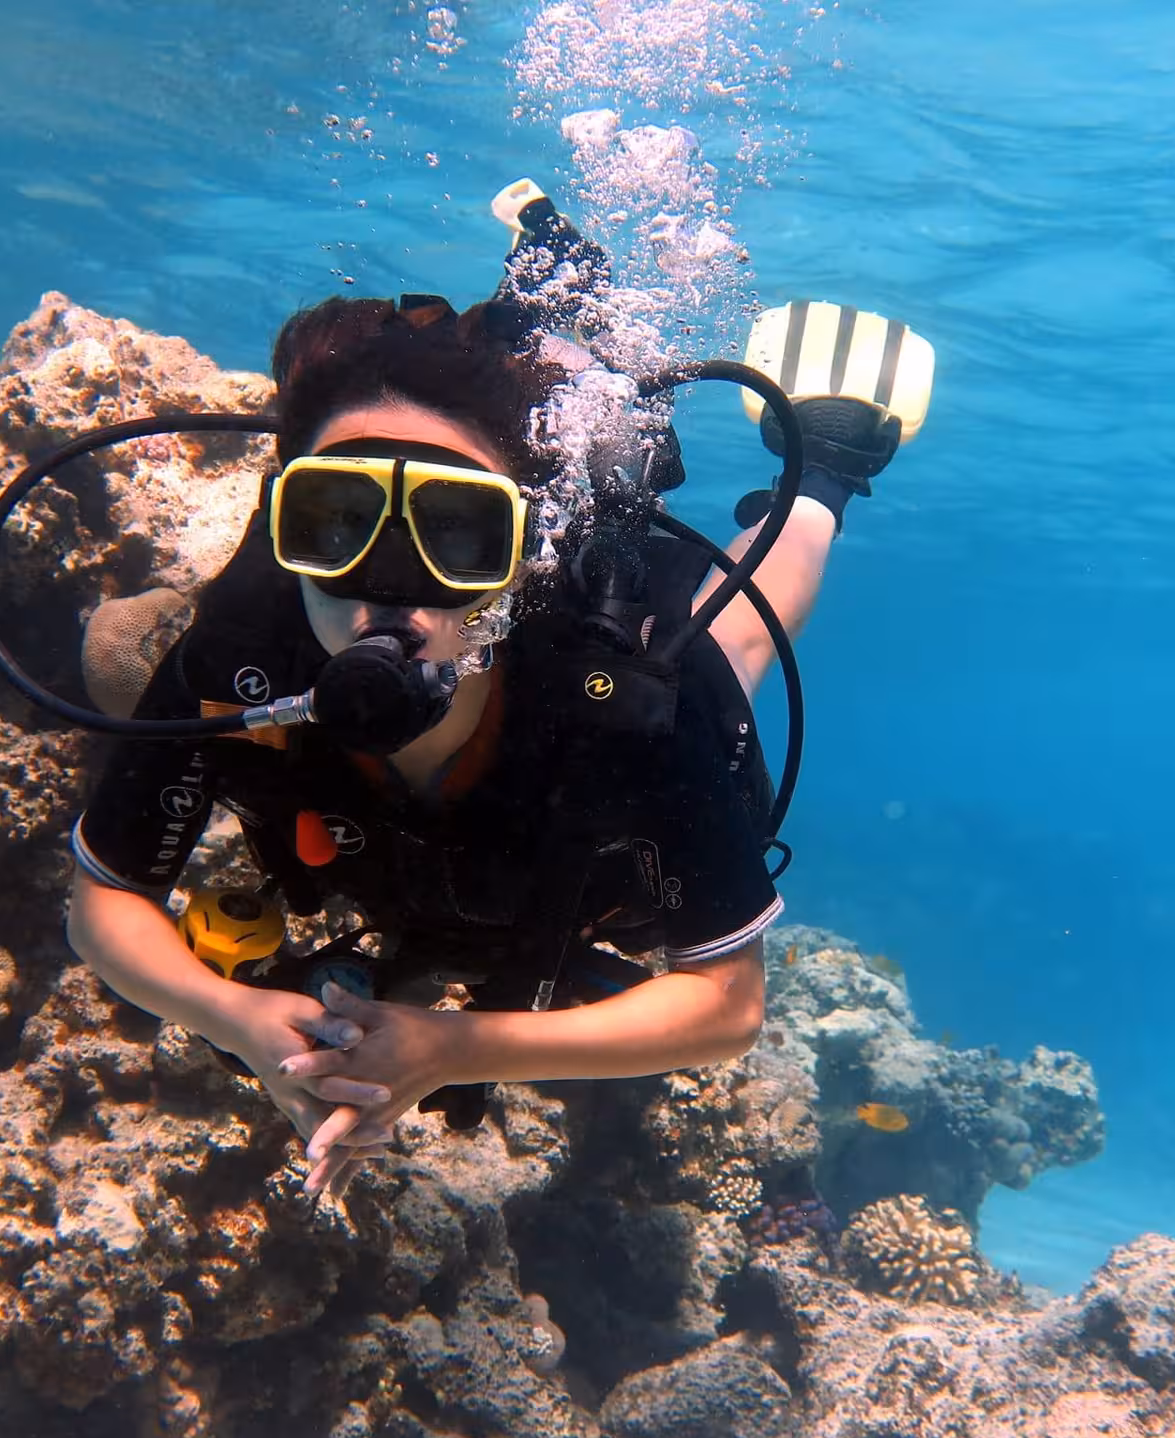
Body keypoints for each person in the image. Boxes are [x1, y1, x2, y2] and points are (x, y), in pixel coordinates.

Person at [58, 279, 922, 1199]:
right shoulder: (233, 667)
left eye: (456, 534)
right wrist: (237, 1020)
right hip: (411, 881)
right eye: (339, 522)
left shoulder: (620, 705)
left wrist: (455, 1048)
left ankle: (823, 466)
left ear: (520, 552)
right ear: (281, 526)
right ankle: (553, 303)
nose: (388, 594)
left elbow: (727, 1006)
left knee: (738, 631)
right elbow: (103, 902)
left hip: (588, 889)